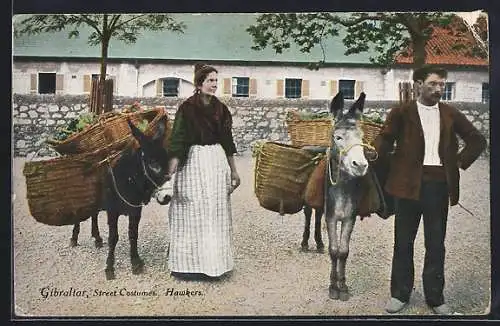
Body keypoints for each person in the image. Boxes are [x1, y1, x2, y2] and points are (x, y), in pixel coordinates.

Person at [374, 66, 487, 314]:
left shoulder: (450, 114)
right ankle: (400, 295)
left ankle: (436, 299)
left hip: (438, 186)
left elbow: (477, 139)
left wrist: (457, 162)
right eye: (433, 84)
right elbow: (383, 140)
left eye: (442, 85)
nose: (439, 89)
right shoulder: (401, 113)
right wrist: (379, 160)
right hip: (406, 187)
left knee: (436, 243)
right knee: (403, 242)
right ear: (417, 84)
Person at [165, 63, 241, 279]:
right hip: (193, 163)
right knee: (189, 211)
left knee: (214, 212)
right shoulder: (187, 108)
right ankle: (186, 267)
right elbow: (178, 141)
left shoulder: (221, 109)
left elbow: (228, 142)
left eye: (216, 81)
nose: (214, 85)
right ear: (199, 84)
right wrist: (170, 174)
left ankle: (215, 266)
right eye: (210, 81)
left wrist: (234, 171)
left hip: (216, 163)